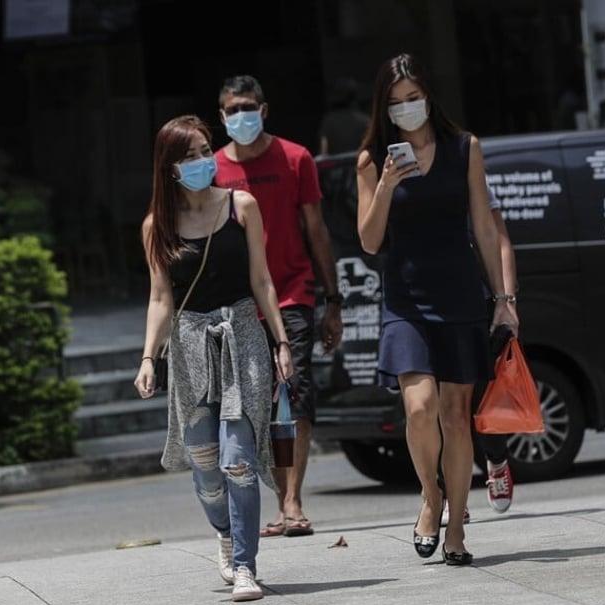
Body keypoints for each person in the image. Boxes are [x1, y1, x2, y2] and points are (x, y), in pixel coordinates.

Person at [356, 53, 518, 565]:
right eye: (396, 102)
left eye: (414, 99)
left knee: (454, 413)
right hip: (405, 301)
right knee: (420, 407)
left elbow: (485, 227)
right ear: (383, 107)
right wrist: (385, 185)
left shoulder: (464, 148)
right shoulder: (372, 160)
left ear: (429, 97)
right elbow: (369, 239)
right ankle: (431, 496)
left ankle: (456, 532)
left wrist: (504, 302)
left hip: (461, 296)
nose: (407, 109)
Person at [134, 114, 294, 602]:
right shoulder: (156, 227)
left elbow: (262, 280)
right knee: (205, 464)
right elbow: (161, 298)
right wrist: (147, 357)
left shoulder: (241, 206)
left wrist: (282, 343)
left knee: (238, 459)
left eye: (206, 151)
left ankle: (245, 565)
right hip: (189, 345)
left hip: (242, 334)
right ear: (169, 168)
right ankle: (224, 534)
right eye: (189, 156)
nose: (203, 162)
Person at [213, 74, 344, 539]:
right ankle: (276, 498)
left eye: (249, 106)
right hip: (239, 305)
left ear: (264, 110)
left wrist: (333, 300)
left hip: (291, 293)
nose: (241, 116)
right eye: (232, 109)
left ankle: (293, 500)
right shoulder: (210, 170)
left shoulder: (295, 158)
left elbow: (317, 231)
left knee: (296, 394)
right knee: (256, 406)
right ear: (221, 115)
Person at [442, 178, 520, 525]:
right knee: (436, 406)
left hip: (478, 296)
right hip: (428, 300)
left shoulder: (465, 168)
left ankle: (497, 459)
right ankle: (447, 495)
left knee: (482, 399)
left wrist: (507, 300)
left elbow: (499, 238)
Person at [319, 77, 372, 156]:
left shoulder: (328, 121)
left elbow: (324, 151)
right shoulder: (364, 120)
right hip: (360, 164)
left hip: (336, 167)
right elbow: (371, 147)